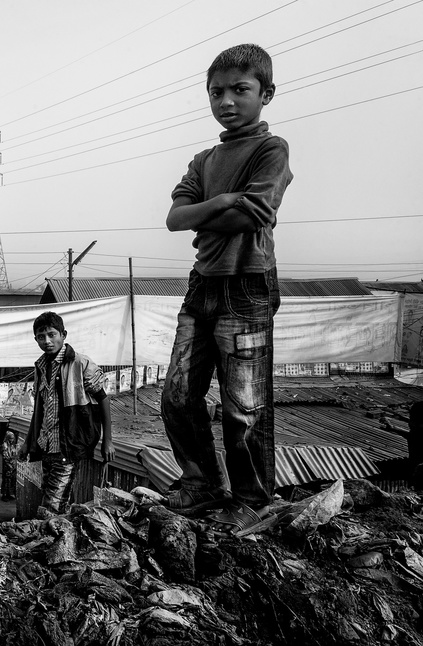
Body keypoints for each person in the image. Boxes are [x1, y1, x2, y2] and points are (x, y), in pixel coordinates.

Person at [160, 44, 293, 535]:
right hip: (201, 290)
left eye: (241, 90)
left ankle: (252, 499)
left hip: (247, 288)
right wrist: (225, 201)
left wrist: (210, 211)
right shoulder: (204, 159)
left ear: (266, 94)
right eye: (217, 92)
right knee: (177, 394)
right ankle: (201, 482)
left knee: (245, 407)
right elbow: (175, 218)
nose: (227, 102)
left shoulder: (270, 150)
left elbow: (255, 212)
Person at [19, 311, 113, 515]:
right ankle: (62, 537)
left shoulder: (80, 363)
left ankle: (50, 539)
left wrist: (108, 441)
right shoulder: (40, 367)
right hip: (47, 445)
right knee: (56, 497)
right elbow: (39, 410)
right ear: (35, 339)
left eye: (52, 335)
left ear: (63, 335)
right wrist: (28, 442)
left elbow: (103, 399)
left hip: (69, 445)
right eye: (41, 337)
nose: (47, 341)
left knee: (51, 504)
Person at [0, 431, 18, 501]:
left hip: (12, 465)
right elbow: (5, 456)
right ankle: (4, 495)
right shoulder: (5, 445)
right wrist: (10, 462)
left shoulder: (12, 445)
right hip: (7, 466)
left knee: (11, 481)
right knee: (6, 480)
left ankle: (9, 494)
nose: (12, 440)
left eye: (13, 439)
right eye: (10, 438)